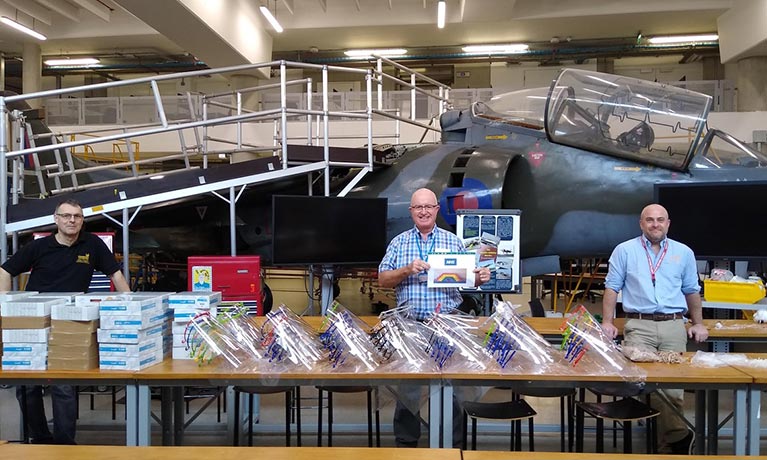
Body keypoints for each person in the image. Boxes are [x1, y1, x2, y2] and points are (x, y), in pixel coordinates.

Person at [0, 198, 131, 445]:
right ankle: (39, 438)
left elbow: (115, 273)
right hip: (35, 319)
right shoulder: (39, 246)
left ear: (82, 220)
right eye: (67, 216)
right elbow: (5, 270)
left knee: (63, 383)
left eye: (77, 216)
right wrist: (4, 306)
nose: (72, 220)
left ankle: (64, 444)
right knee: (26, 386)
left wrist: (132, 307)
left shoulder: (92, 244)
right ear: (56, 219)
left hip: (70, 322)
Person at [378, 188, 491, 448]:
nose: (424, 211)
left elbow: (469, 278)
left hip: (447, 325)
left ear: (437, 210)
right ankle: (407, 444)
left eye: (429, 206)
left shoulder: (453, 242)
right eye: (419, 207)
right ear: (411, 212)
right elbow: (383, 279)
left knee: (451, 388)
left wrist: (480, 277)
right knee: (409, 389)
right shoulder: (399, 242)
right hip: (410, 327)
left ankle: (453, 444)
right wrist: (407, 269)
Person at [601, 203, 708, 455]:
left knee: (673, 389)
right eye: (650, 220)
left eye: (660, 220)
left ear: (668, 223)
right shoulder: (624, 250)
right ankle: (679, 437)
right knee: (645, 384)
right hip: (639, 325)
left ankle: (669, 440)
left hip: (673, 325)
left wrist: (699, 323)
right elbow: (611, 288)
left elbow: (692, 291)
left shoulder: (684, 253)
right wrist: (607, 321)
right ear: (641, 224)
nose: (655, 224)